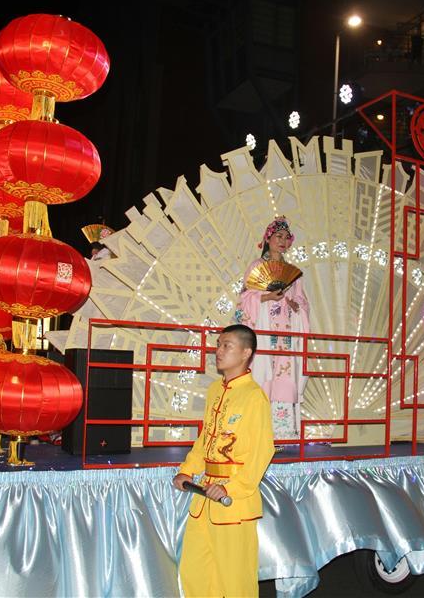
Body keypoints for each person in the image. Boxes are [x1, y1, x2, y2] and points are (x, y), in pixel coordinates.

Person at [172, 324, 274, 597]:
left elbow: (261, 452)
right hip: (204, 497)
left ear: (245, 353)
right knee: (196, 572)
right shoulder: (216, 389)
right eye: (218, 345)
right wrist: (186, 471)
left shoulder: (254, 397)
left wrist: (231, 488)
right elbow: (205, 439)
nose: (218, 351)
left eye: (226, 345)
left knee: (235, 579)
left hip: (232, 503)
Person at [236, 216, 310, 441]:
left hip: (286, 332)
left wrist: (295, 305)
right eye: (278, 236)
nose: (283, 241)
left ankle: (282, 432)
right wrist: (267, 296)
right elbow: (244, 300)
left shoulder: (293, 274)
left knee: (284, 374)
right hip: (264, 332)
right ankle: (257, 432)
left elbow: (303, 303)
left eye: (286, 237)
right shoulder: (257, 267)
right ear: (268, 239)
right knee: (263, 371)